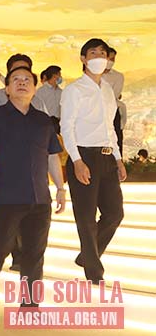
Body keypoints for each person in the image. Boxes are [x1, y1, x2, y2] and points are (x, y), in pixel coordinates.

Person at [0, 66, 66, 316]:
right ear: (7, 88)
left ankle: (30, 304)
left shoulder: (43, 120)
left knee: (35, 253)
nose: (22, 83)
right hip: (6, 197)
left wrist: (60, 188)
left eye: (27, 80)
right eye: (16, 79)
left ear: (34, 88)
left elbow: (52, 156)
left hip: (40, 199)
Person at [60, 38, 126, 284]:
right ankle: (94, 272)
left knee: (115, 213)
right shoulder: (74, 90)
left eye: (103, 53)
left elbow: (110, 128)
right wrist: (76, 160)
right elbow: (66, 127)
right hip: (84, 156)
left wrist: (118, 158)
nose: (99, 57)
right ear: (83, 59)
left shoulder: (107, 89)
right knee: (86, 218)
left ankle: (87, 256)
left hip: (107, 157)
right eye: (93, 53)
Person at [103, 48, 125, 156]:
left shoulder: (118, 76)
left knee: (116, 140)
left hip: (112, 112)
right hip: (94, 112)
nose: (111, 61)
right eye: (109, 58)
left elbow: (114, 96)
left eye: (113, 59)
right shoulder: (93, 75)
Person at [35, 65, 63, 132]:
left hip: (58, 123)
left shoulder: (61, 92)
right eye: (59, 75)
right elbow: (37, 108)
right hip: (45, 122)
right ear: (54, 76)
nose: (60, 77)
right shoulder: (41, 91)